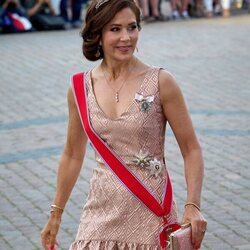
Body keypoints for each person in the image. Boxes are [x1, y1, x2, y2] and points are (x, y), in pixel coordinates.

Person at [41, 0, 207, 249]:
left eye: (132, 27)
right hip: (98, 216)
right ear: (97, 34)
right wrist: (56, 213)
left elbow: (191, 149)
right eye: (115, 29)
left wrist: (192, 206)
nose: (126, 37)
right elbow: (73, 154)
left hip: (152, 214)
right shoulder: (80, 88)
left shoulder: (161, 82)